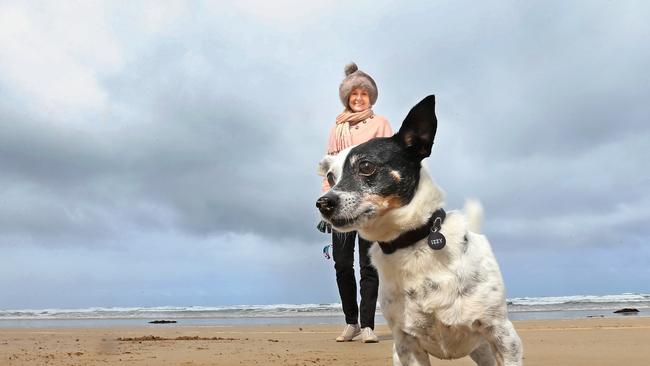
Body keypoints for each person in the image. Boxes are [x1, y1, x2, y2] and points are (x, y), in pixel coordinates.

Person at [318, 62, 393, 343]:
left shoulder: (380, 124)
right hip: (339, 202)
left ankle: (368, 325)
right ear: (347, 98)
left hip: (368, 203)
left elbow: (388, 162)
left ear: (370, 97)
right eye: (353, 94)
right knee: (341, 263)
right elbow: (329, 166)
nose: (358, 98)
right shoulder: (337, 128)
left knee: (368, 265)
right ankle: (351, 322)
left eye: (363, 94)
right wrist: (326, 203)